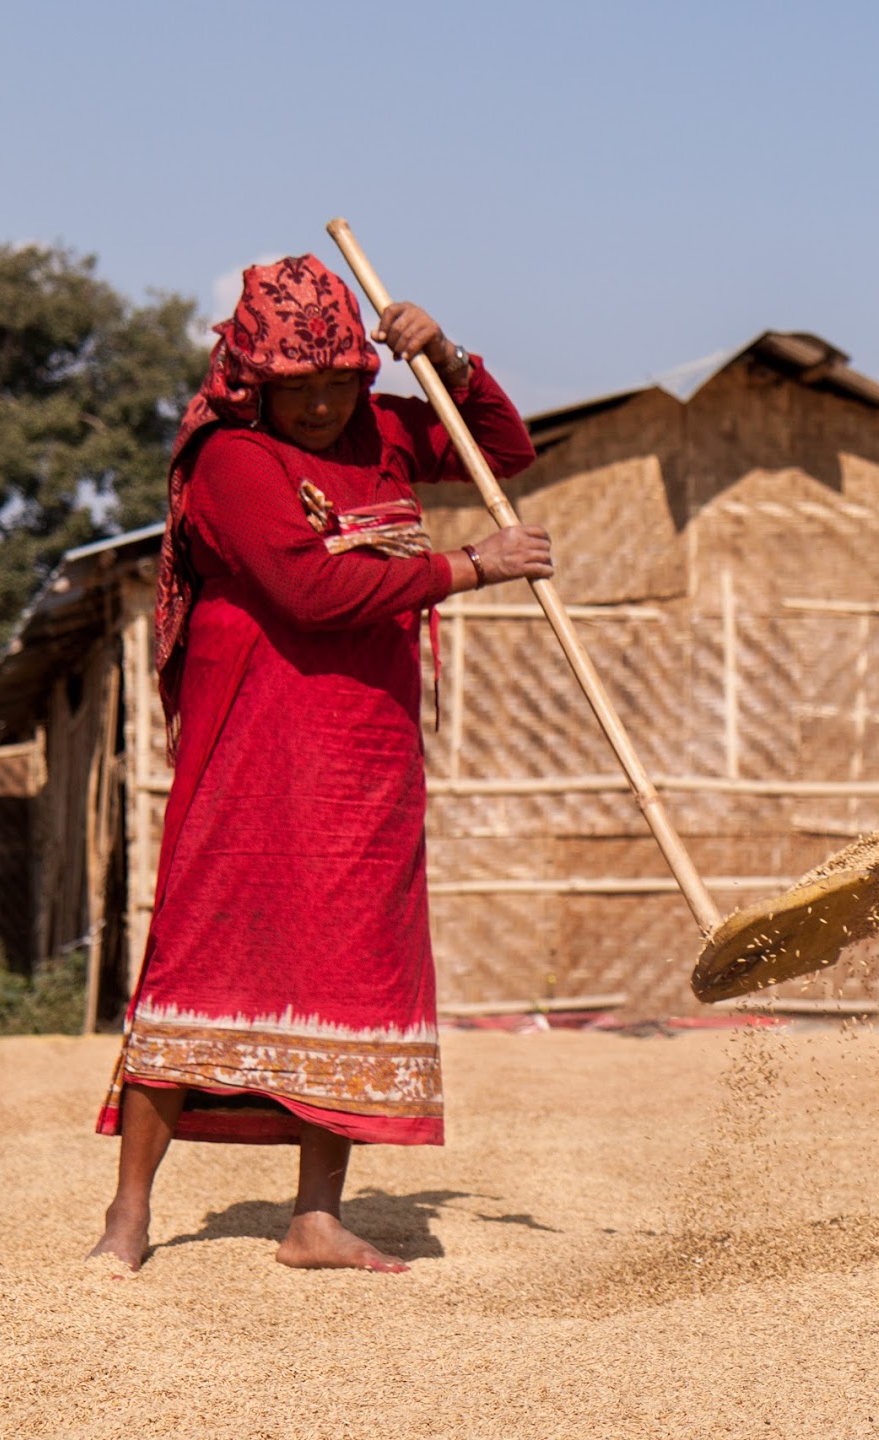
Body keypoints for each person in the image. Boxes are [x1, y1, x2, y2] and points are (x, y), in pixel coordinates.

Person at [88, 255, 553, 1273]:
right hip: (255, 726)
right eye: (305, 390)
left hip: (364, 742)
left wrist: (450, 358)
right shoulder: (233, 460)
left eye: (343, 381)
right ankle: (128, 1218)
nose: (328, 404)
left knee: (349, 958)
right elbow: (308, 594)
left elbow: (503, 450)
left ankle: (315, 1217)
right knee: (204, 948)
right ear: (258, 384)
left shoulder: (379, 427)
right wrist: (472, 568)